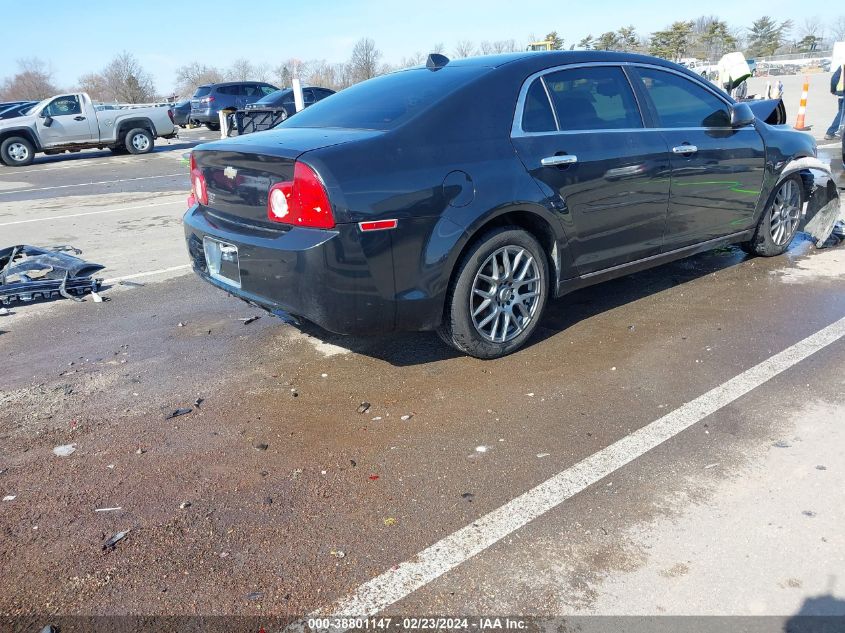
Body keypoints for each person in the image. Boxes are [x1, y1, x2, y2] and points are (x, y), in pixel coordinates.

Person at [824, 62, 844, 140]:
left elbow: (834, 78)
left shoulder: (842, 65)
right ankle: (830, 132)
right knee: (841, 114)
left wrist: (833, 90)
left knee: (841, 113)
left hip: (840, 92)